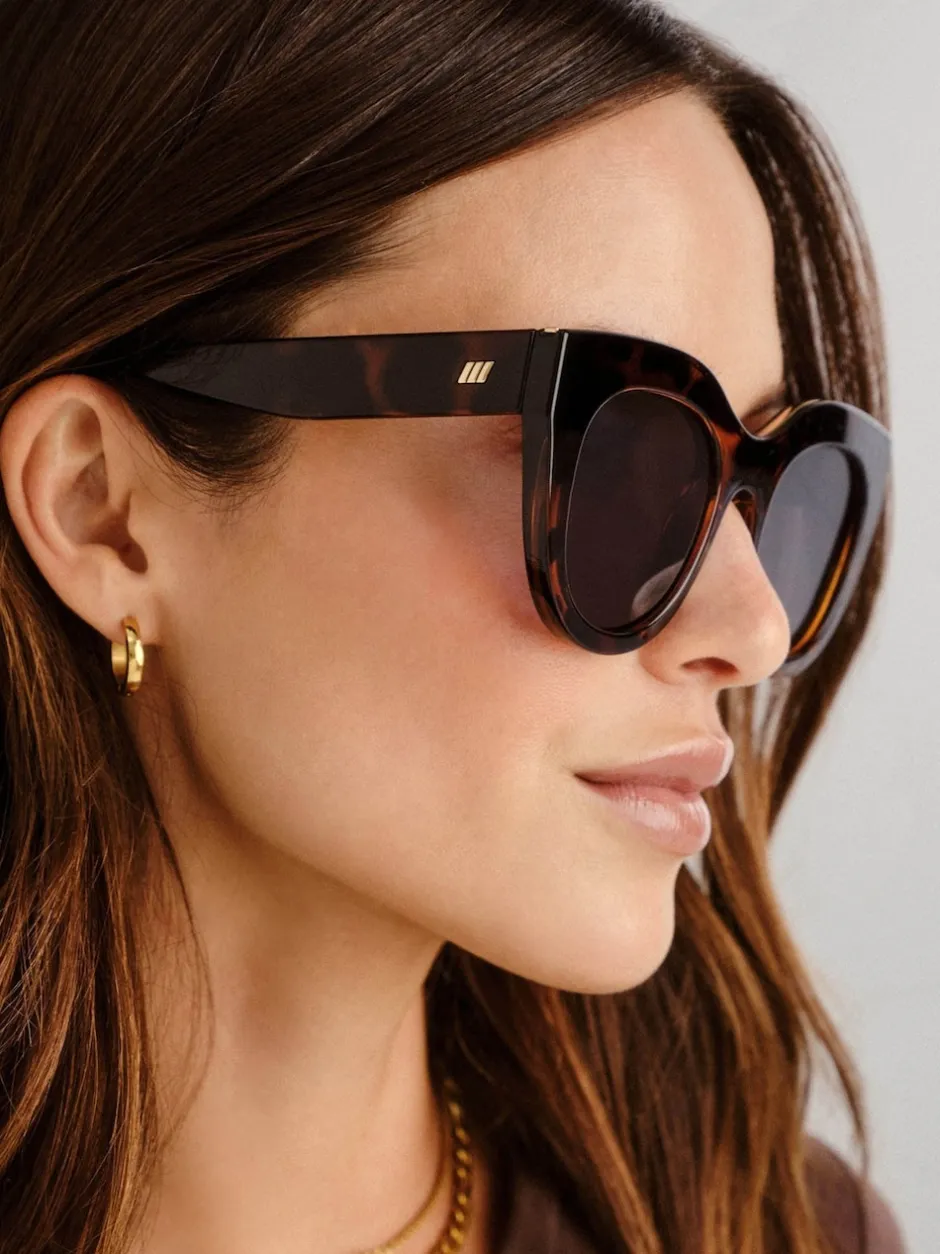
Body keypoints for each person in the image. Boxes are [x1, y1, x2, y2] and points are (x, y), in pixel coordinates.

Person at [0, 2, 908, 1252]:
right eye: (609, 454)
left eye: (767, 482)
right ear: (103, 510)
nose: (749, 629)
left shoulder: (774, 1232)